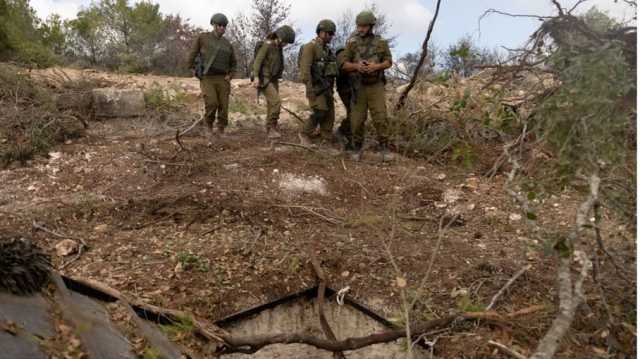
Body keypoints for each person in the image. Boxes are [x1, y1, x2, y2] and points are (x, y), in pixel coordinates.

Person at [341, 10, 394, 161]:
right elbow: (344, 64)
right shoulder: (351, 42)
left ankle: (384, 148)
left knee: (380, 117)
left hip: (376, 85)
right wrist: (357, 66)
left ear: (371, 26)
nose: (360, 29)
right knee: (357, 119)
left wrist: (376, 67)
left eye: (363, 26)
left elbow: (389, 61)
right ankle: (357, 147)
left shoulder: (381, 42)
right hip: (358, 86)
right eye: (358, 26)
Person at [186, 13, 237, 139]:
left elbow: (234, 63)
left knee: (224, 106)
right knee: (212, 102)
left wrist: (230, 75)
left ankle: (221, 129)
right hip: (207, 77)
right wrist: (192, 68)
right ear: (214, 25)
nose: (222, 28)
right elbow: (192, 53)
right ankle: (208, 126)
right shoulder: (203, 37)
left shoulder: (227, 44)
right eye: (219, 25)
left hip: (222, 78)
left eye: (224, 26)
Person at [298, 19, 338, 147]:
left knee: (330, 114)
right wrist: (310, 90)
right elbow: (305, 70)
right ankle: (304, 133)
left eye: (332, 34)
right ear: (321, 32)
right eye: (330, 33)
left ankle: (326, 138)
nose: (331, 36)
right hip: (316, 87)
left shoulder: (328, 50)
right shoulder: (310, 47)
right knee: (320, 111)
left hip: (327, 88)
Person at [252, 25, 296, 139]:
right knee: (276, 102)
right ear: (281, 38)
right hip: (264, 79)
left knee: (272, 104)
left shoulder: (278, 48)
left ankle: (271, 127)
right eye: (286, 42)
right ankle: (271, 127)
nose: (286, 45)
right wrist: (256, 77)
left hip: (273, 79)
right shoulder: (267, 45)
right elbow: (258, 61)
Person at [334, 45, 354, 151]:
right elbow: (343, 68)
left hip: (351, 89)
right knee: (354, 113)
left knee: (354, 113)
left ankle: (343, 130)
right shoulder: (342, 54)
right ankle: (346, 134)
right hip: (346, 89)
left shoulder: (352, 55)